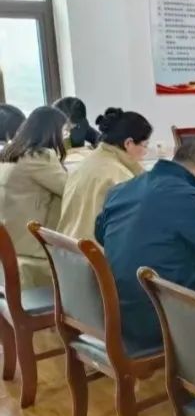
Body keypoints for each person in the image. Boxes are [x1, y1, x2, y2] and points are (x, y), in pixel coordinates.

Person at [96, 138, 195, 352]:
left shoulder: (123, 188)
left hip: (118, 308)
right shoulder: (182, 194)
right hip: (158, 316)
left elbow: (100, 234)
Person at [58, 108, 152, 241]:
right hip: (95, 251)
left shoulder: (88, 162)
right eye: (145, 145)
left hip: (69, 246)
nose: (145, 152)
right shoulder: (119, 176)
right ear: (128, 143)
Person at [0, 106, 68, 287]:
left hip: (11, 241)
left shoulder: (10, 154)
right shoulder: (39, 157)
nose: (65, 136)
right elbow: (69, 189)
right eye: (64, 131)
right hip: (33, 247)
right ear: (53, 131)